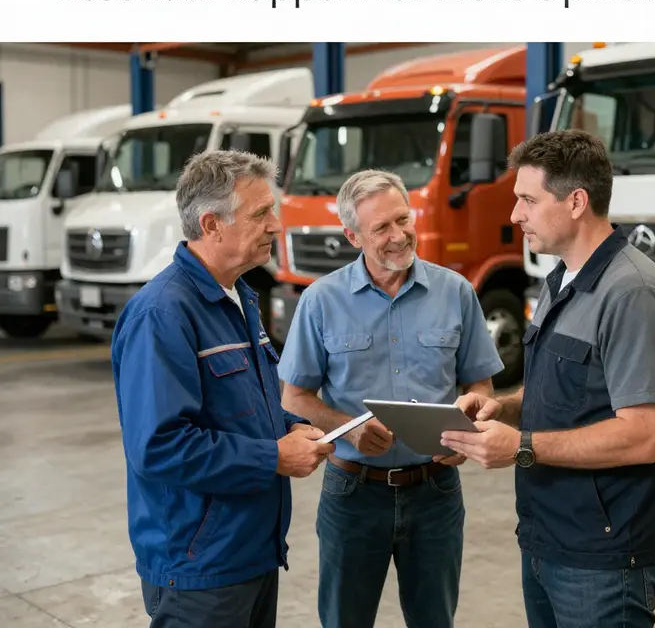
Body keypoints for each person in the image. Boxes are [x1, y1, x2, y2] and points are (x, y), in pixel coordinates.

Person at [441, 130, 655, 627]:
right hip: (547, 536)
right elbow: (567, 388)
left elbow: (643, 436)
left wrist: (521, 446)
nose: (514, 216)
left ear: (576, 201)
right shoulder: (560, 281)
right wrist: (502, 408)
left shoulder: (633, 294)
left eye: (528, 200)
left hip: (604, 557)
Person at [110, 149, 334, 628]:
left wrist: (297, 430)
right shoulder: (163, 315)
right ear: (211, 224)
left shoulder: (237, 297)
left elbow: (245, 410)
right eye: (260, 214)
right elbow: (159, 447)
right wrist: (274, 457)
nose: (276, 225)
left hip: (249, 550)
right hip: (199, 568)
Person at [278, 169, 505, 628]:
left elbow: (480, 386)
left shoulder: (455, 291)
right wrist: (349, 427)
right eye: (382, 227)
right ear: (352, 235)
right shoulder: (321, 301)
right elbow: (295, 397)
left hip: (435, 492)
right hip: (352, 493)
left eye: (404, 219)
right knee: (345, 619)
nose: (399, 235)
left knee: (434, 619)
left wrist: (469, 424)